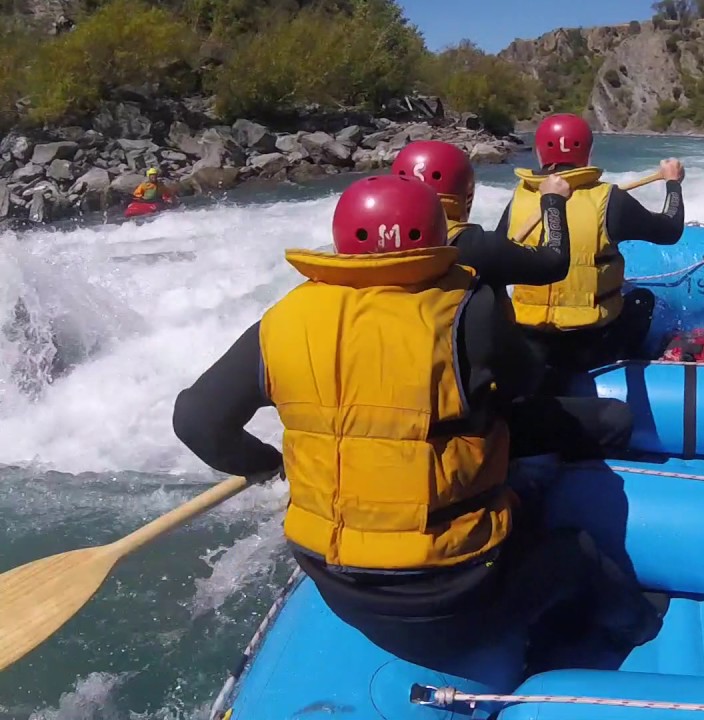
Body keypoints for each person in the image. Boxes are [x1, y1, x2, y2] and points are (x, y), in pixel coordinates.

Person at [172, 176, 662, 668]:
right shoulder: (470, 310)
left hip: (335, 583)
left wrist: (269, 464)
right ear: (436, 231)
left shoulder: (280, 319)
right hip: (455, 591)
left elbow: (196, 421)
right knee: (575, 553)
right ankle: (643, 629)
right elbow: (526, 381)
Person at [390, 139, 635, 460]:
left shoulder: (334, 298)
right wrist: (552, 204)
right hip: (463, 442)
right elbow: (553, 264)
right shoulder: (476, 261)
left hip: (385, 435)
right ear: (465, 196)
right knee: (615, 418)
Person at [494, 113, 686, 391]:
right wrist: (673, 183)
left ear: (538, 153)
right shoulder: (611, 201)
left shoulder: (518, 200)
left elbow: (499, 263)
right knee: (642, 299)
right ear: (589, 153)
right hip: (590, 344)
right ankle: (629, 369)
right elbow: (670, 230)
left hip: (529, 341)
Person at [391, 141, 571, 287]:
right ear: (466, 194)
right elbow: (554, 263)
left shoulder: (370, 246)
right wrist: (553, 200)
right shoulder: (478, 246)